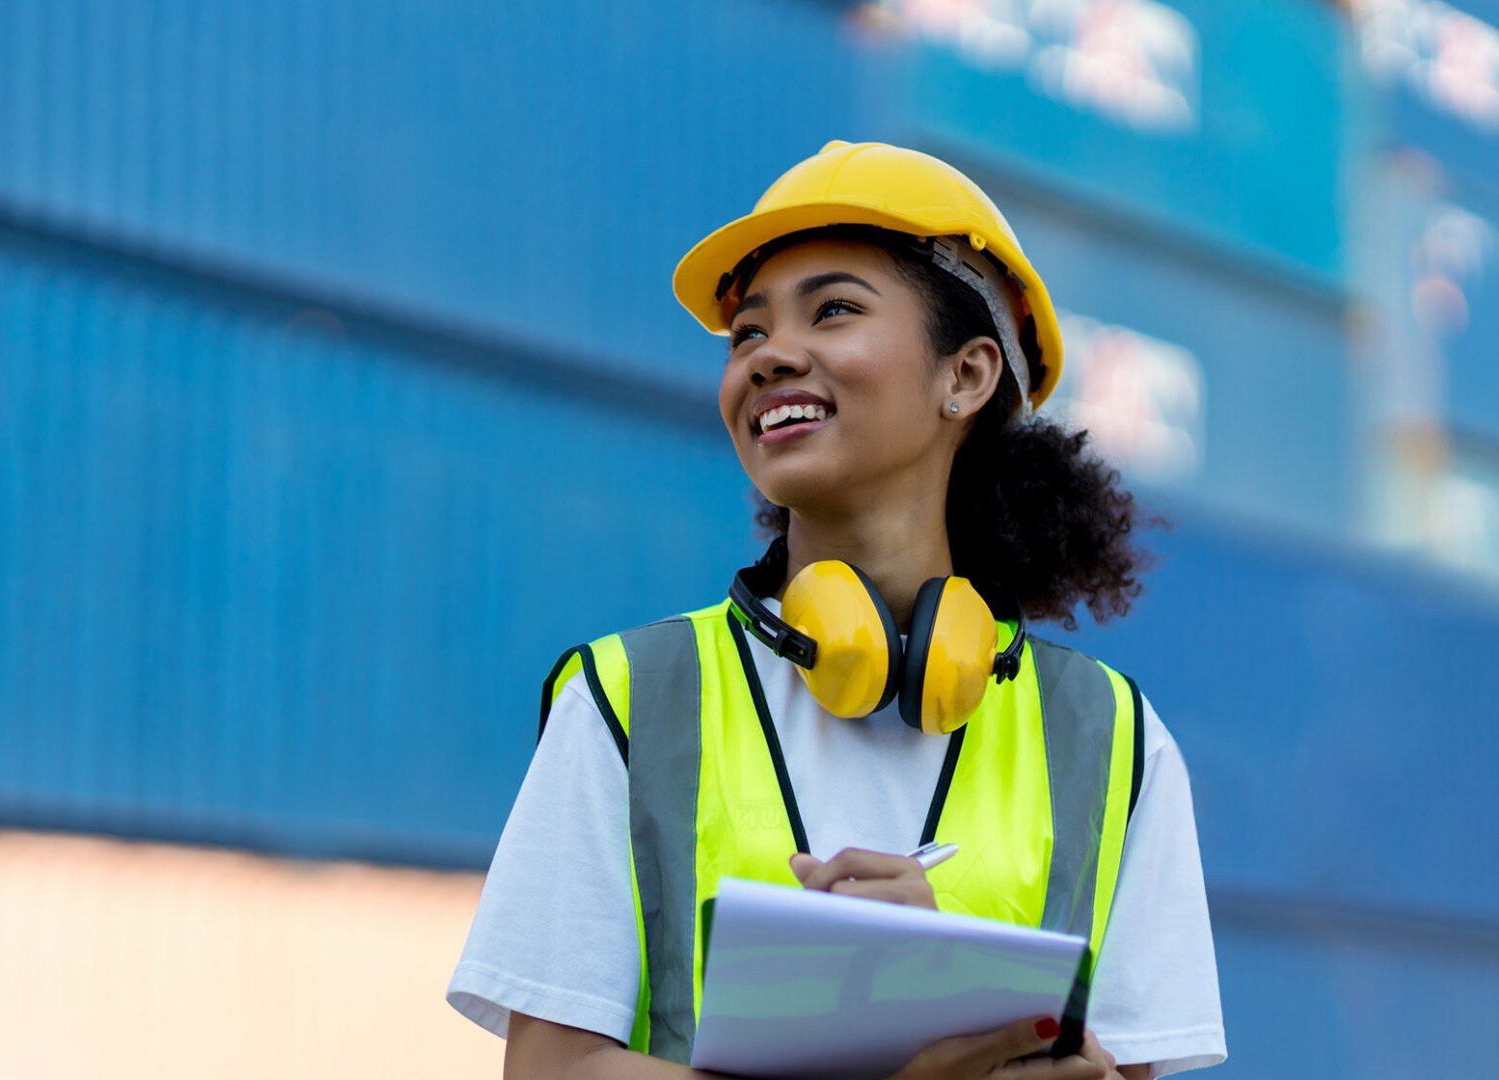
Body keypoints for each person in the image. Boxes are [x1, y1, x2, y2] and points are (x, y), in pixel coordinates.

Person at [447, 141, 1226, 1079]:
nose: (772, 356)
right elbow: (552, 1072)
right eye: (747, 335)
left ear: (967, 376)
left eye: (835, 310)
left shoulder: (1112, 739)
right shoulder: (629, 700)